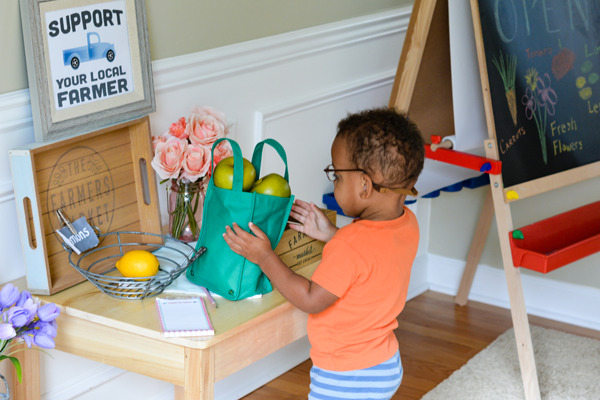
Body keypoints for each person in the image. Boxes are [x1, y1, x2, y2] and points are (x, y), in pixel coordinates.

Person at [223, 107, 425, 399]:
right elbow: (372, 261)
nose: (334, 182)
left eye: (337, 176)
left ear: (365, 186)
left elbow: (310, 298)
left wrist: (265, 256)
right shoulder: (408, 224)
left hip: (345, 375)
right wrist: (333, 235)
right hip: (384, 362)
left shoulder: (352, 244)